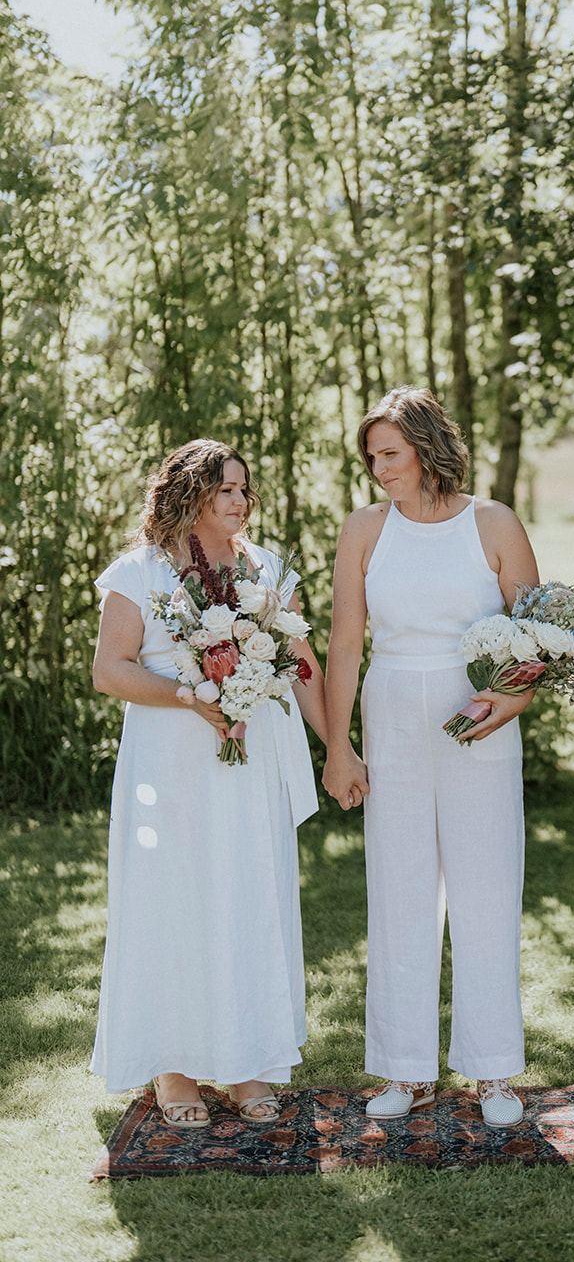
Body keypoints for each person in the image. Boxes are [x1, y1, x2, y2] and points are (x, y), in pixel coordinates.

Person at [91, 440, 327, 1126]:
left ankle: (249, 1062)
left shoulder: (270, 570)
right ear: (189, 494)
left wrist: (337, 748)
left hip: (252, 768)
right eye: (225, 488)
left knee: (250, 897)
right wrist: (189, 695)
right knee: (174, 901)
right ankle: (174, 1068)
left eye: (244, 490)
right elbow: (111, 671)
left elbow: (302, 667)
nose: (239, 501)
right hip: (169, 766)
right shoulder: (140, 572)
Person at [322, 387, 538, 1128]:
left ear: (426, 446)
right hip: (389, 711)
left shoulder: (493, 523)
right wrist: (339, 747)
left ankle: (493, 1072)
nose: (379, 468)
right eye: (371, 458)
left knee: (486, 886)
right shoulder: (364, 530)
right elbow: (343, 645)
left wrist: (513, 699)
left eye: (390, 453)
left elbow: (536, 633)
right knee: (399, 888)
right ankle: (405, 1068)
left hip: (476, 714)